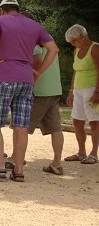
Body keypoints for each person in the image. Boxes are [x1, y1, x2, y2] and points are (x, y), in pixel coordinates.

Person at [0, 0, 59, 182]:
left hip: (3, 77)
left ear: (1, 10)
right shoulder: (34, 25)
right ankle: (19, 170)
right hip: (26, 80)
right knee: (21, 125)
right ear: (18, 10)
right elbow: (53, 49)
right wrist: (38, 72)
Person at [30, 36, 65, 175]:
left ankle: (16, 158)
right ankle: (57, 163)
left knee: (23, 126)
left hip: (40, 90)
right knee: (55, 128)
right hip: (54, 88)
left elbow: (37, 61)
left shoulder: (33, 40)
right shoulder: (49, 39)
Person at [64, 24, 99, 165]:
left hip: (91, 88)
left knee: (94, 122)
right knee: (77, 121)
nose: (73, 44)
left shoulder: (95, 48)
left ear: (82, 36)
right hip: (78, 88)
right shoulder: (77, 51)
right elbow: (75, 71)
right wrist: (71, 91)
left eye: (74, 40)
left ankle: (94, 153)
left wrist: (97, 91)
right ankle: (81, 152)